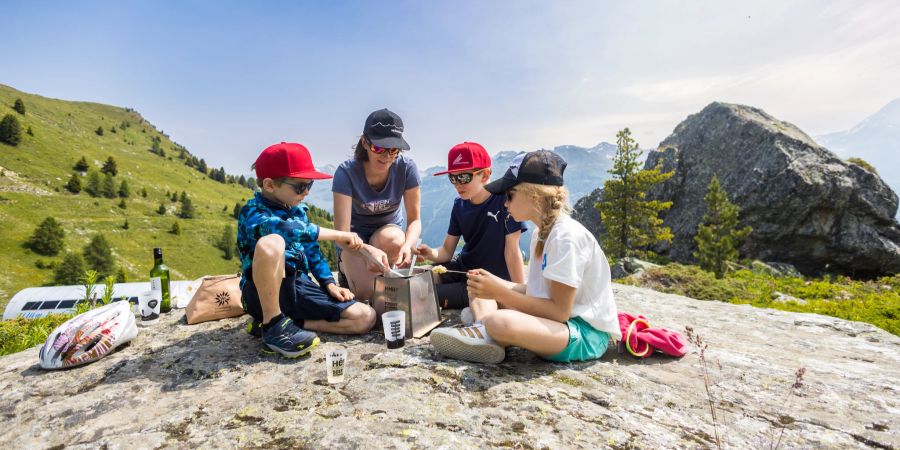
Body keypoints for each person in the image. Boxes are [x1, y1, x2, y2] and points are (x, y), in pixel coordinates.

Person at [430, 150, 621, 364]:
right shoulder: (542, 233)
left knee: (500, 322)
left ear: (534, 197)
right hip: (557, 326)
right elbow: (535, 291)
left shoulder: (565, 238)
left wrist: (501, 291)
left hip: (582, 333)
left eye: (509, 196)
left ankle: (487, 328)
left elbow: (559, 312)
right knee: (479, 287)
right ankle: (485, 331)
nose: (505, 203)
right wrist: (492, 284)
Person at [238, 142, 377, 358]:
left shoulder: (299, 211)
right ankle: (274, 324)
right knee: (271, 243)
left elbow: (312, 251)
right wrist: (339, 235)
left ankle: (276, 325)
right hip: (259, 293)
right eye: (299, 186)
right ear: (269, 184)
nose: (306, 193)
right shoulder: (253, 213)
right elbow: (287, 229)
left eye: (309, 185)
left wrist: (328, 283)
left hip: (298, 285)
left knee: (365, 317)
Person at [415, 142, 526, 312]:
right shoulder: (459, 205)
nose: (458, 184)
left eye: (464, 177)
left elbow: (512, 252)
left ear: (485, 174)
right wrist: (430, 253)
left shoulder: (505, 201)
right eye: (453, 177)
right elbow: (446, 251)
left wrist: (519, 296)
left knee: (421, 293)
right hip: (462, 268)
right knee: (414, 278)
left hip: (487, 280)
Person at [332, 108, 422, 300]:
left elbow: (415, 220)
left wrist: (407, 245)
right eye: (379, 149)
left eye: (394, 150)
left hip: (388, 235)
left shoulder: (407, 168)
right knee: (368, 295)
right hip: (354, 239)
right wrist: (366, 250)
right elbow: (341, 234)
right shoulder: (346, 173)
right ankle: (345, 268)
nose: (387, 157)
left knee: (394, 242)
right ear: (365, 142)